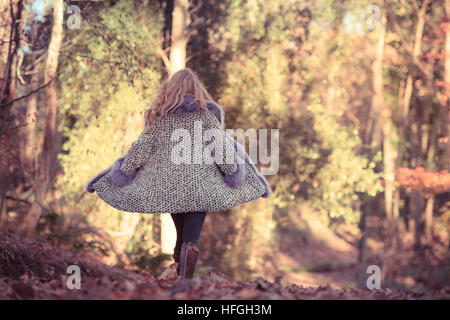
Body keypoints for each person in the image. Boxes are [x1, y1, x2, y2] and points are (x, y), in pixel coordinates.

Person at [87, 68, 271, 278]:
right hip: (201, 190)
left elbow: (140, 150)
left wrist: (124, 172)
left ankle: (179, 280)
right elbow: (221, 151)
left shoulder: (159, 119)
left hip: (170, 190)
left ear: (170, 89)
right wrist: (234, 174)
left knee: (181, 236)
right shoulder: (205, 117)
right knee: (190, 240)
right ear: (197, 90)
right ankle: (184, 282)